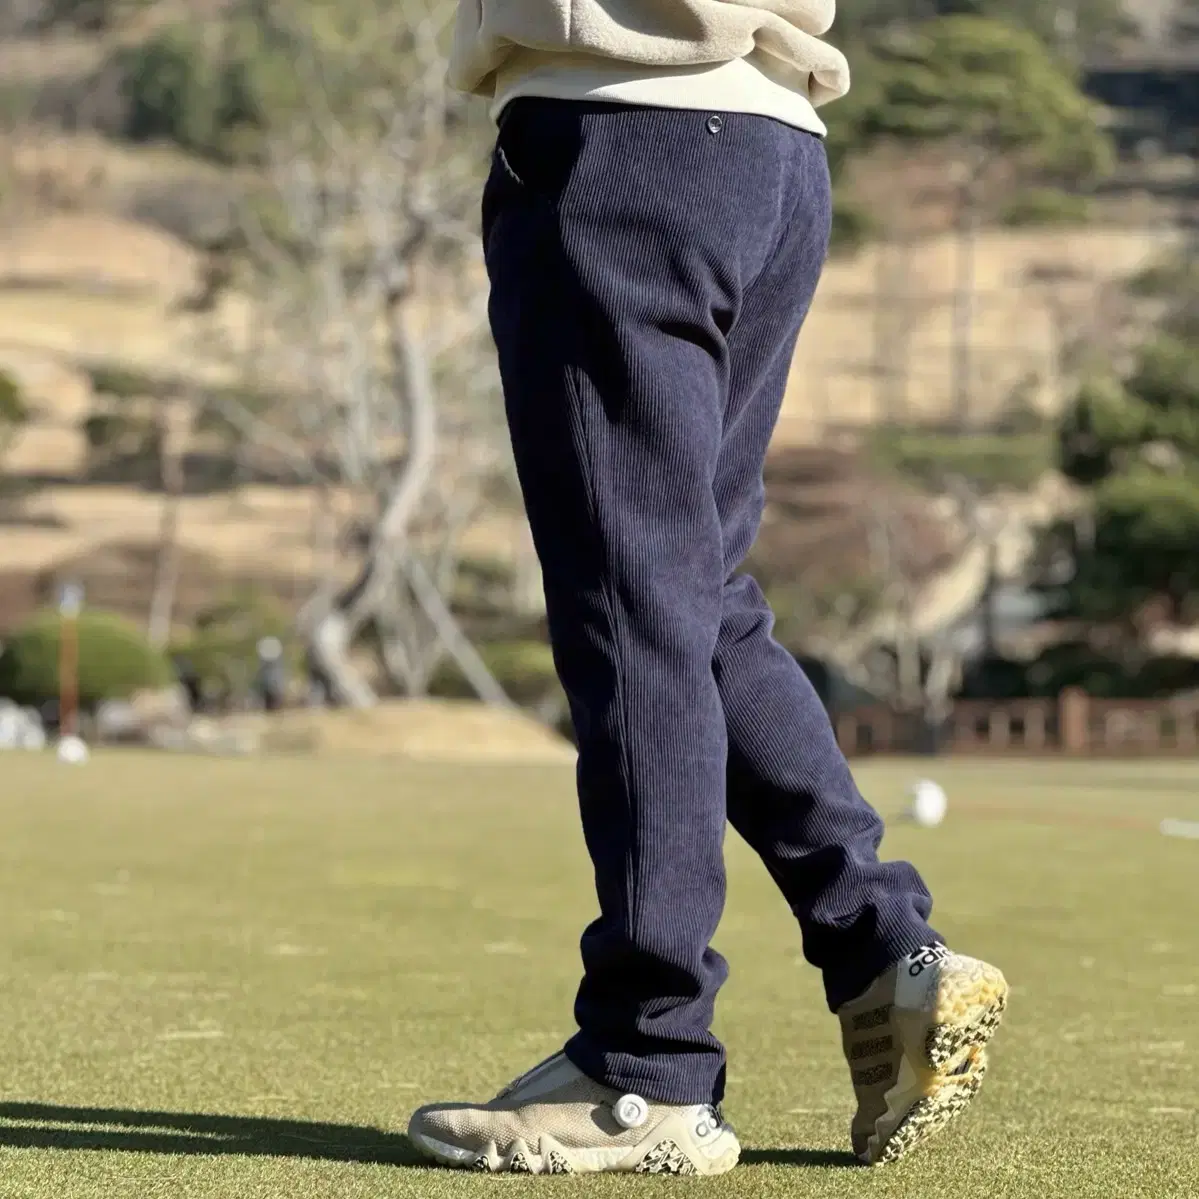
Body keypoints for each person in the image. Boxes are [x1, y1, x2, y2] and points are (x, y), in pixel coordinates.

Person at [408, 0, 1007, 1176]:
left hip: (621, 128)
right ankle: (884, 949)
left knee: (635, 601)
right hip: (770, 142)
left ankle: (645, 1063)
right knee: (694, 594)